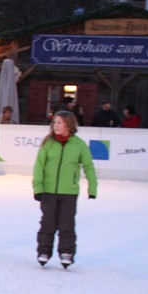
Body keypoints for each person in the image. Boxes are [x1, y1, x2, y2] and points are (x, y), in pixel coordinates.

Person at [32, 110, 97, 268]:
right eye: (54, 122)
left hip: (69, 192)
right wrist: (38, 187)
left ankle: (66, 252)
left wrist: (92, 188)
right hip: (48, 191)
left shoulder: (78, 144)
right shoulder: (48, 143)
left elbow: (88, 166)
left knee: (67, 224)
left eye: (59, 122)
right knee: (47, 223)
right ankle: (44, 251)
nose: (56, 125)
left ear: (68, 124)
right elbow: (39, 166)